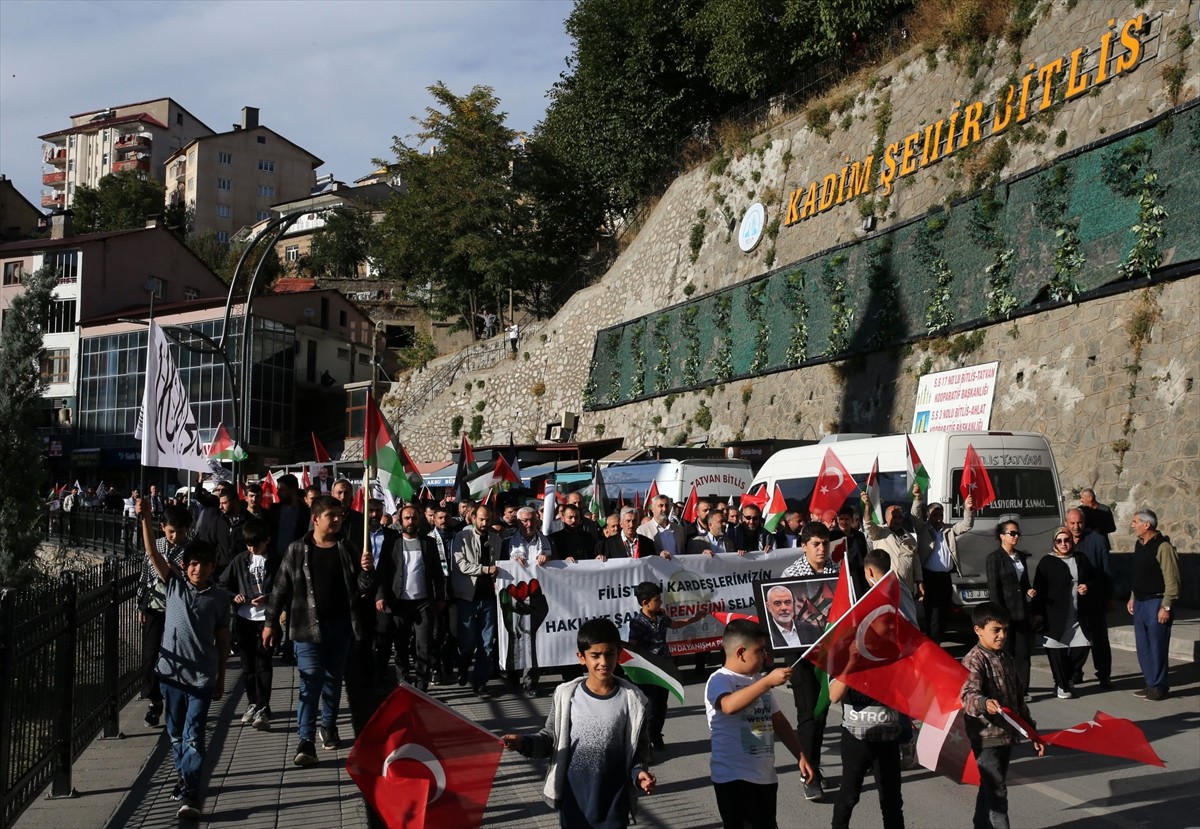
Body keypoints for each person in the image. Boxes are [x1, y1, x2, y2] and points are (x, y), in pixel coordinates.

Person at [501, 618, 655, 829]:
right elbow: (550, 739)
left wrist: (640, 774)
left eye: (609, 654)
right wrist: (524, 743)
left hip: (614, 806)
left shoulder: (633, 700)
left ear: (619, 653)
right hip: (574, 804)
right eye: (595, 655)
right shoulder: (566, 695)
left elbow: (640, 750)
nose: (603, 662)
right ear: (581, 658)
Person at [263, 495, 375, 766]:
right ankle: (306, 740)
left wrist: (367, 572)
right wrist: (270, 622)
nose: (336, 520)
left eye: (339, 515)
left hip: (340, 627)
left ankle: (329, 725)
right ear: (315, 519)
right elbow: (280, 588)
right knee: (309, 683)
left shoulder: (347, 548)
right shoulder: (297, 550)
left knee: (333, 681)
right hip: (305, 627)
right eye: (331, 515)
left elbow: (361, 589)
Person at [137, 498, 230, 820]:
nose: (198, 569)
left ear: (213, 568)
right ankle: (183, 774)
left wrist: (219, 676)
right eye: (192, 564)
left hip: (202, 678)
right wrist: (146, 519)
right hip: (171, 674)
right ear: (184, 566)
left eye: (204, 565)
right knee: (175, 733)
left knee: (193, 733)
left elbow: (222, 639)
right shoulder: (174, 585)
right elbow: (153, 554)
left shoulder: (218, 599)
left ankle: (191, 790)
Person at [705, 619, 813, 829]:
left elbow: (779, 720)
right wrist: (767, 682)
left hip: (764, 776)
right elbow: (728, 705)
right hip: (733, 778)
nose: (765, 656)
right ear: (740, 653)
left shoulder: (756, 680)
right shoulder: (720, 680)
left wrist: (800, 755)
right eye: (760, 651)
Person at [960, 602, 1045, 829]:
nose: (1002, 635)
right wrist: (983, 702)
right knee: (997, 791)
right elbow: (967, 696)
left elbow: (1017, 700)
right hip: (985, 737)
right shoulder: (974, 660)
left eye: (1005, 630)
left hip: (1005, 735)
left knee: (990, 788)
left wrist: (1032, 731)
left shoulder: (1006, 658)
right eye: (995, 630)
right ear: (978, 630)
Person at [780, 521, 839, 801]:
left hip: (828, 652)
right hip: (801, 655)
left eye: (825, 543)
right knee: (807, 714)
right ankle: (809, 774)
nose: (821, 549)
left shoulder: (838, 573)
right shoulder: (790, 576)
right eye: (815, 544)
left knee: (821, 711)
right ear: (803, 546)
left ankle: (813, 763)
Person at [627, 582, 704, 751]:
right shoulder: (637, 623)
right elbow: (632, 647)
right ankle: (644, 742)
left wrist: (694, 619)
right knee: (650, 707)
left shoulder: (661, 616)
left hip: (664, 668)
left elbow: (675, 624)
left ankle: (656, 735)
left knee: (662, 705)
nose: (660, 602)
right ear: (645, 603)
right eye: (657, 599)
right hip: (648, 671)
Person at [375, 504, 445, 692]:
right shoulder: (392, 543)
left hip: (423, 602)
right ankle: (403, 682)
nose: (410, 522)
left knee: (424, 645)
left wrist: (440, 598)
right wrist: (381, 596)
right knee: (401, 644)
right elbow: (382, 571)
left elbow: (438, 573)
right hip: (399, 603)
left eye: (414, 518)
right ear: (401, 520)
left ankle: (422, 686)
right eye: (407, 518)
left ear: (419, 519)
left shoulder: (428, 543)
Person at [217, 516, 277, 731]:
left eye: (256, 544)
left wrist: (268, 597)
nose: (252, 549)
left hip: (266, 619)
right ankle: (253, 702)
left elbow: (284, 587)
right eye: (248, 545)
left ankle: (263, 706)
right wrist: (234, 596)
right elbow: (222, 583)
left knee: (263, 664)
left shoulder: (275, 560)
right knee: (247, 665)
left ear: (266, 540)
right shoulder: (241, 560)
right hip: (244, 618)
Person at [136, 504, 192, 728]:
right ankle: (154, 699)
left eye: (180, 532)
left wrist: (175, 571)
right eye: (171, 531)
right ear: (162, 528)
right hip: (154, 606)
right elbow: (144, 575)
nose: (175, 536)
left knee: (177, 656)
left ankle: (179, 701)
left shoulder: (190, 549)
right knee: (150, 656)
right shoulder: (156, 545)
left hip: (178, 608)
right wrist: (140, 605)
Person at [1032, 527, 1095, 699]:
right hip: (1054, 616)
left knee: (1082, 648)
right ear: (1054, 543)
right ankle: (1062, 685)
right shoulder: (1047, 562)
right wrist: (1037, 613)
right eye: (1059, 541)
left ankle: (1066, 678)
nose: (1063, 544)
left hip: (1078, 616)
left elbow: (1093, 577)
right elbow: (1039, 588)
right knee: (1056, 652)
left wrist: (1087, 586)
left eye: (1066, 540)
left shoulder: (1080, 559)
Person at [1127, 508, 1179, 701]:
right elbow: (1139, 574)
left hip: (1157, 602)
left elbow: (1172, 580)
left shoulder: (1163, 547)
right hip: (1140, 602)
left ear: (1146, 524)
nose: (1132, 525)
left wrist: (1166, 607)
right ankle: (1150, 683)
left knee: (1157, 646)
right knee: (1143, 647)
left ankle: (1159, 686)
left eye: (1135, 522)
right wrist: (1133, 596)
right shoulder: (1139, 544)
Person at [452, 504, 502, 694]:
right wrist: (484, 569)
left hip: (489, 597)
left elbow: (500, 564)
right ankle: (463, 668)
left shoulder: (496, 539)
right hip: (467, 597)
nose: (484, 523)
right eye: (481, 519)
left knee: (487, 643)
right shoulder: (461, 537)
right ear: (473, 519)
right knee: (467, 642)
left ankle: (480, 681)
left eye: (487, 519)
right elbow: (461, 565)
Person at [912, 494, 974, 645]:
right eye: (935, 515)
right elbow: (914, 517)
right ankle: (934, 645)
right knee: (933, 613)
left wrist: (968, 509)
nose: (939, 518)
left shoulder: (949, 529)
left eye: (941, 514)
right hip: (929, 577)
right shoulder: (923, 529)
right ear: (928, 516)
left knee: (944, 611)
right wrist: (917, 499)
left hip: (945, 577)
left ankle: (938, 640)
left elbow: (967, 525)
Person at [985, 520, 1037, 697]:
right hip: (1005, 613)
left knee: (1023, 652)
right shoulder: (994, 558)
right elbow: (994, 588)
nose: (1016, 536)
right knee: (1006, 652)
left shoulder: (1020, 556)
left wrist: (1029, 590)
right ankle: (1005, 688)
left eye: (1017, 533)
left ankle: (1022, 689)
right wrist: (998, 616)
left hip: (1021, 610)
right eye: (1012, 533)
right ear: (1002, 536)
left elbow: (1023, 582)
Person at [1066, 508, 1112, 688]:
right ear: (1066, 524)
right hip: (1072, 603)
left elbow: (1106, 571)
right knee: (1075, 640)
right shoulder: (1063, 541)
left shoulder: (1097, 541)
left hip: (1094, 600)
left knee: (1099, 640)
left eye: (1079, 523)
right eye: (1072, 523)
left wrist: (1108, 597)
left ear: (1084, 523)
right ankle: (1075, 673)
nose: (1076, 527)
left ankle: (1104, 675)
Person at [862, 486, 924, 602]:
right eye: (894, 516)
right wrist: (867, 506)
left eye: (900, 517)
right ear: (886, 518)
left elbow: (916, 562)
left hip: (906, 590)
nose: (898, 520)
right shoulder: (879, 532)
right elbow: (868, 523)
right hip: (886, 588)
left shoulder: (910, 537)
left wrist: (920, 583)